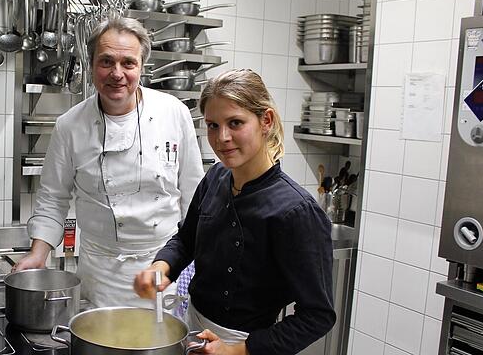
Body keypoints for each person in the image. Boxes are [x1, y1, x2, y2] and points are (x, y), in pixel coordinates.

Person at [134, 70, 336, 355]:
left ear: (266, 121)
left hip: (246, 343)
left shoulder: (296, 211)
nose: (222, 138)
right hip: (193, 327)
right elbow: (186, 239)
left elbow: (318, 316)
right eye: (213, 125)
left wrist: (237, 350)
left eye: (235, 123)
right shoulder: (216, 177)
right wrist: (162, 267)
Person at [14, 14, 204, 309]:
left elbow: (194, 196)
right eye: (106, 62)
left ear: (142, 67)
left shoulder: (174, 113)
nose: (117, 73)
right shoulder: (70, 126)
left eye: (128, 63)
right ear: (91, 66)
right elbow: (53, 198)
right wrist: (39, 253)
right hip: (100, 272)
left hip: (162, 269)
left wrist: (196, 258)